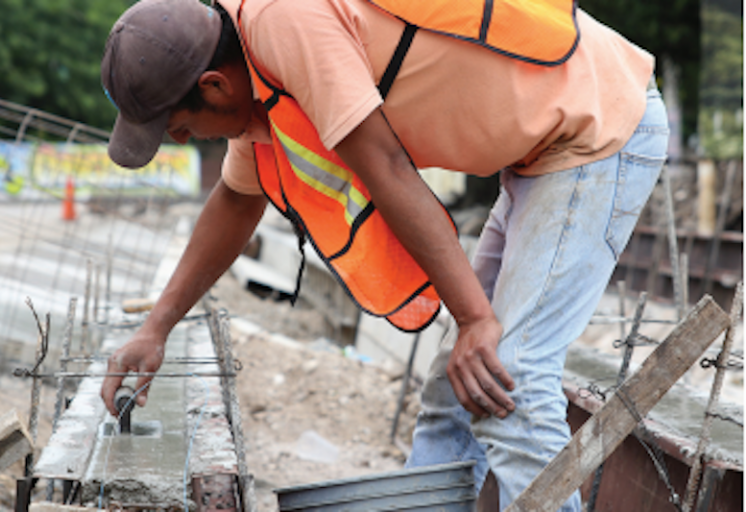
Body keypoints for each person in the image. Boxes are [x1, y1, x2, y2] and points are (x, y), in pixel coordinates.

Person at [100, 0, 669, 509]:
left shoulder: (284, 22)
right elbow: (234, 203)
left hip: (596, 127)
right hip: (543, 153)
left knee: (509, 377)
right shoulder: (257, 78)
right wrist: (156, 328)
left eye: (179, 128)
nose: (184, 141)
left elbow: (387, 167)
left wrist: (474, 319)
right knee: (457, 391)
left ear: (214, 85)